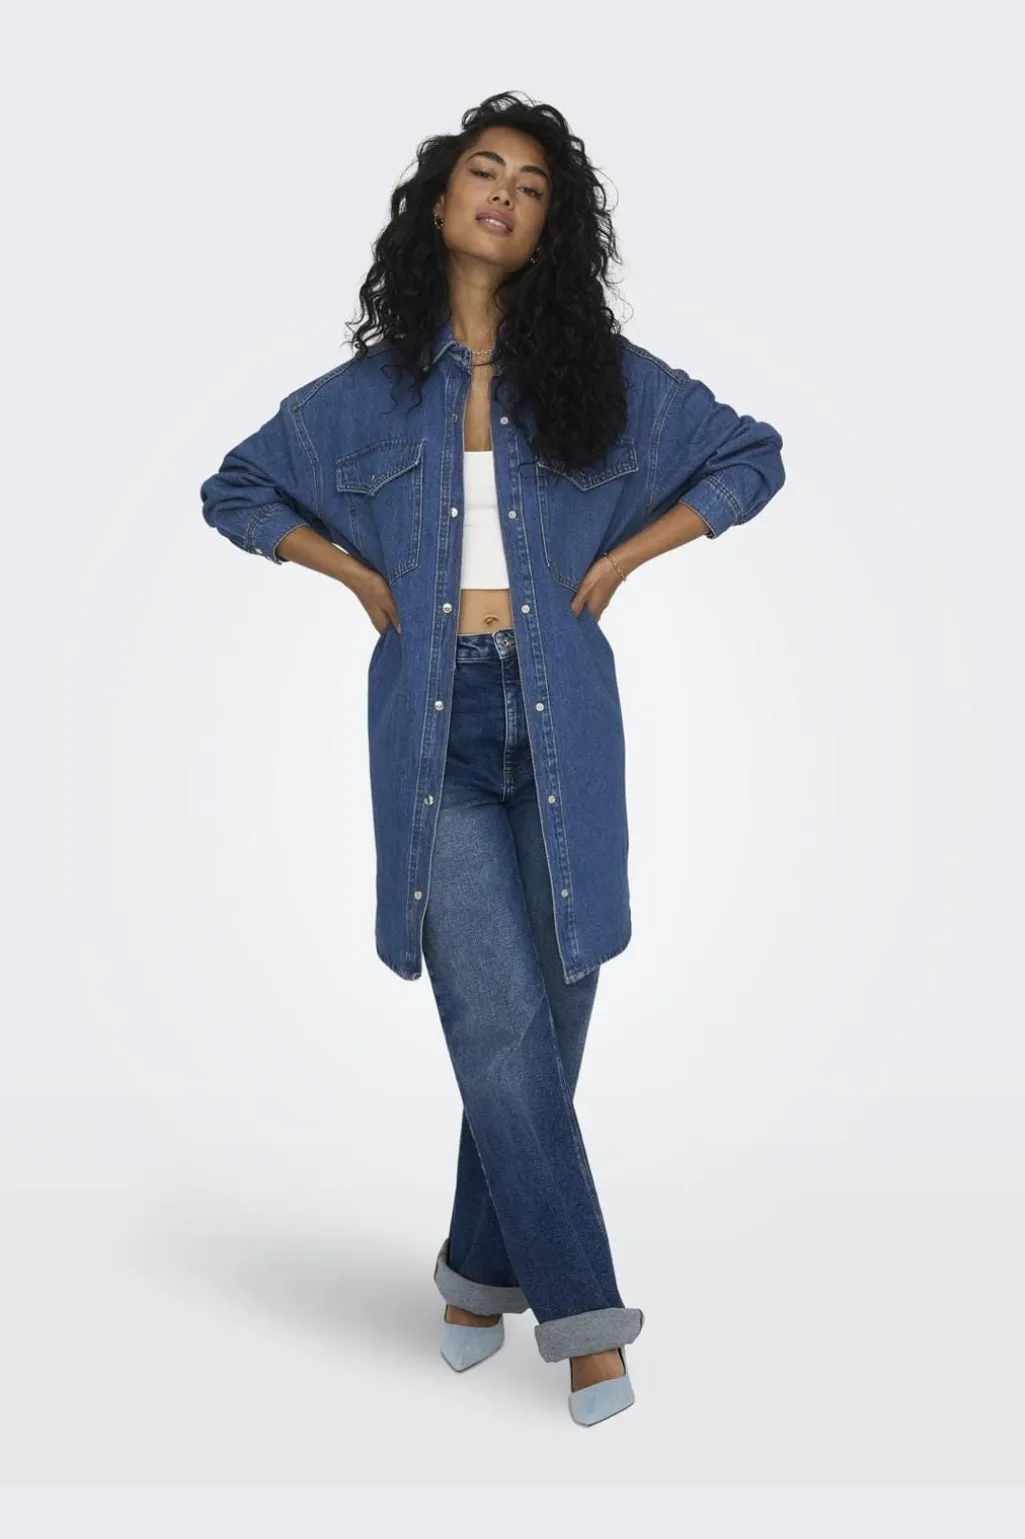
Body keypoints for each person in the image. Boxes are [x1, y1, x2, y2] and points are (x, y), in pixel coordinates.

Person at [199, 91, 786, 1427]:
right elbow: (235, 487)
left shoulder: (601, 379)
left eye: (532, 184)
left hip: (565, 721)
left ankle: (475, 1277)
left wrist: (624, 557)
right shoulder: (362, 397)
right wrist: (354, 573)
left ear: (550, 228)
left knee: (543, 1024)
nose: (505, 193)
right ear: (439, 199)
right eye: (485, 170)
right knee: (502, 1026)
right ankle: (588, 1325)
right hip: (437, 737)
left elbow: (751, 456)